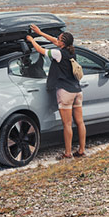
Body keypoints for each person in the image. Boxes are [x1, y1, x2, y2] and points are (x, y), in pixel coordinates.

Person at [26, 24, 86, 159]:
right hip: (77, 90)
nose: (56, 40)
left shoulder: (57, 53)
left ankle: (68, 153)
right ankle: (81, 150)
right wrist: (40, 33)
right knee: (80, 122)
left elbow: (40, 50)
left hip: (65, 92)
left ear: (62, 43)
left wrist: (32, 40)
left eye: (59, 39)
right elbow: (53, 40)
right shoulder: (72, 51)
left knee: (67, 124)